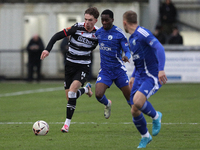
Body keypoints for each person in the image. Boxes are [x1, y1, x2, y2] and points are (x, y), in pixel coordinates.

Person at [40, 7, 100, 133]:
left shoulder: (99, 34)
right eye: (85, 19)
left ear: (95, 20)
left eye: (90, 20)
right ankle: (85, 89)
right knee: (70, 97)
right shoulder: (77, 27)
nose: (87, 22)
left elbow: (109, 46)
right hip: (70, 65)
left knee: (72, 92)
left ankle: (66, 124)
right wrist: (47, 49)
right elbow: (57, 36)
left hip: (83, 66)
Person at [123, 10, 167, 148]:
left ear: (125, 23)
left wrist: (161, 69)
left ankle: (156, 116)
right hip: (140, 77)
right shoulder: (132, 39)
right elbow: (139, 60)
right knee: (134, 110)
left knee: (137, 101)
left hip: (151, 76)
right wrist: (134, 75)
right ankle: (145, 136)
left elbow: (159, 47)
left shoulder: (143, 33)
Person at [95, 9, 131, 119]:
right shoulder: (98, 33)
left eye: (107, 20)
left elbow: (128, 50)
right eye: (102, 20)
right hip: (105, 71)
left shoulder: (119, 33)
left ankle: (141, 118)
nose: (104, 22)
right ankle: (107, 104)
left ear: (112, 20)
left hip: (118, 70)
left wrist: (126, 57)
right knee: (98, 94)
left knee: (130, 99)